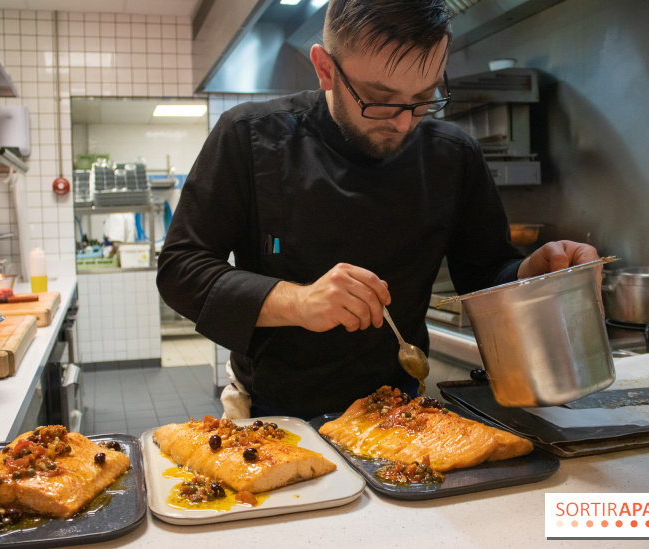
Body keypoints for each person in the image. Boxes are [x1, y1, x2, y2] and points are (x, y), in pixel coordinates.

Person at [157, 0, 598, 420]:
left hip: (400, 412)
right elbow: (181, 269)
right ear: (325, 69)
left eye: (424, 98)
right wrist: (299, 301)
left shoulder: (453, 156)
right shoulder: (249, 137)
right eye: (381, 99)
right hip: (276, 414)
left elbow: (485, 277)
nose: (404, 122)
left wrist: (530, 277)